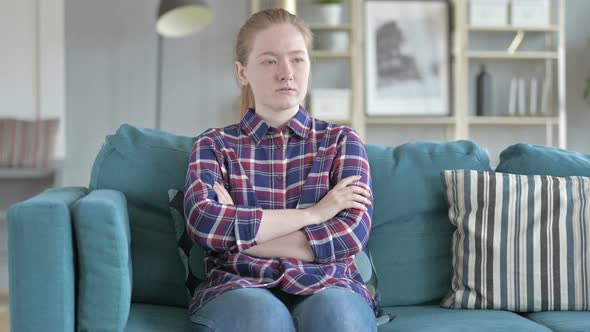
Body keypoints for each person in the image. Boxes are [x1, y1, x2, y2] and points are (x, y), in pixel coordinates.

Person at [184, 8, 376, 332]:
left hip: (330, 283)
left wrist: (242, 234)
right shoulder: (214, 145)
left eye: (297, 59)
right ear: (241, 71)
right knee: (262, 319)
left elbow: (349, 236)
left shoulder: (342, 141)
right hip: (238, 285)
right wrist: (314, 214)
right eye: (270, 60)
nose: (286, 73)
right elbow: (205, 223)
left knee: (339, 318)